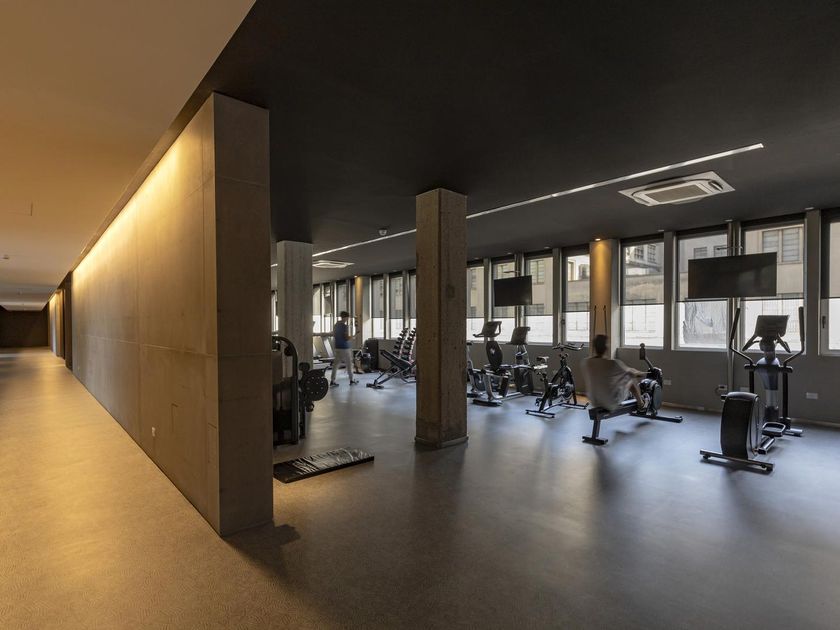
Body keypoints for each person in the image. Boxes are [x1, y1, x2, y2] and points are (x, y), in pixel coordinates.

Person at [582, 334, 646, 411]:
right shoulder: (613, 363)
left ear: (594, 347)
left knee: (620, 379)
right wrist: (640, 373)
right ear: (606, 348)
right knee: (630, 379)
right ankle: (641, 404)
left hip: (594, 401)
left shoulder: (586, 362)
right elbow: (631, 372)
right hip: (611, 403)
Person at [330, 311, 358, 386]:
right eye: (347, 318)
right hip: (345, 348)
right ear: (345, 317)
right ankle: (351, 380)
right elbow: (346, 338)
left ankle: (332, 380)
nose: (347, 319)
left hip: (337, 347)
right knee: (349, 364)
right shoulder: (344, 326)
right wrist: (353, 336)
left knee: (335, 365)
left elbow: (335, 335)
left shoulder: (336, 325)